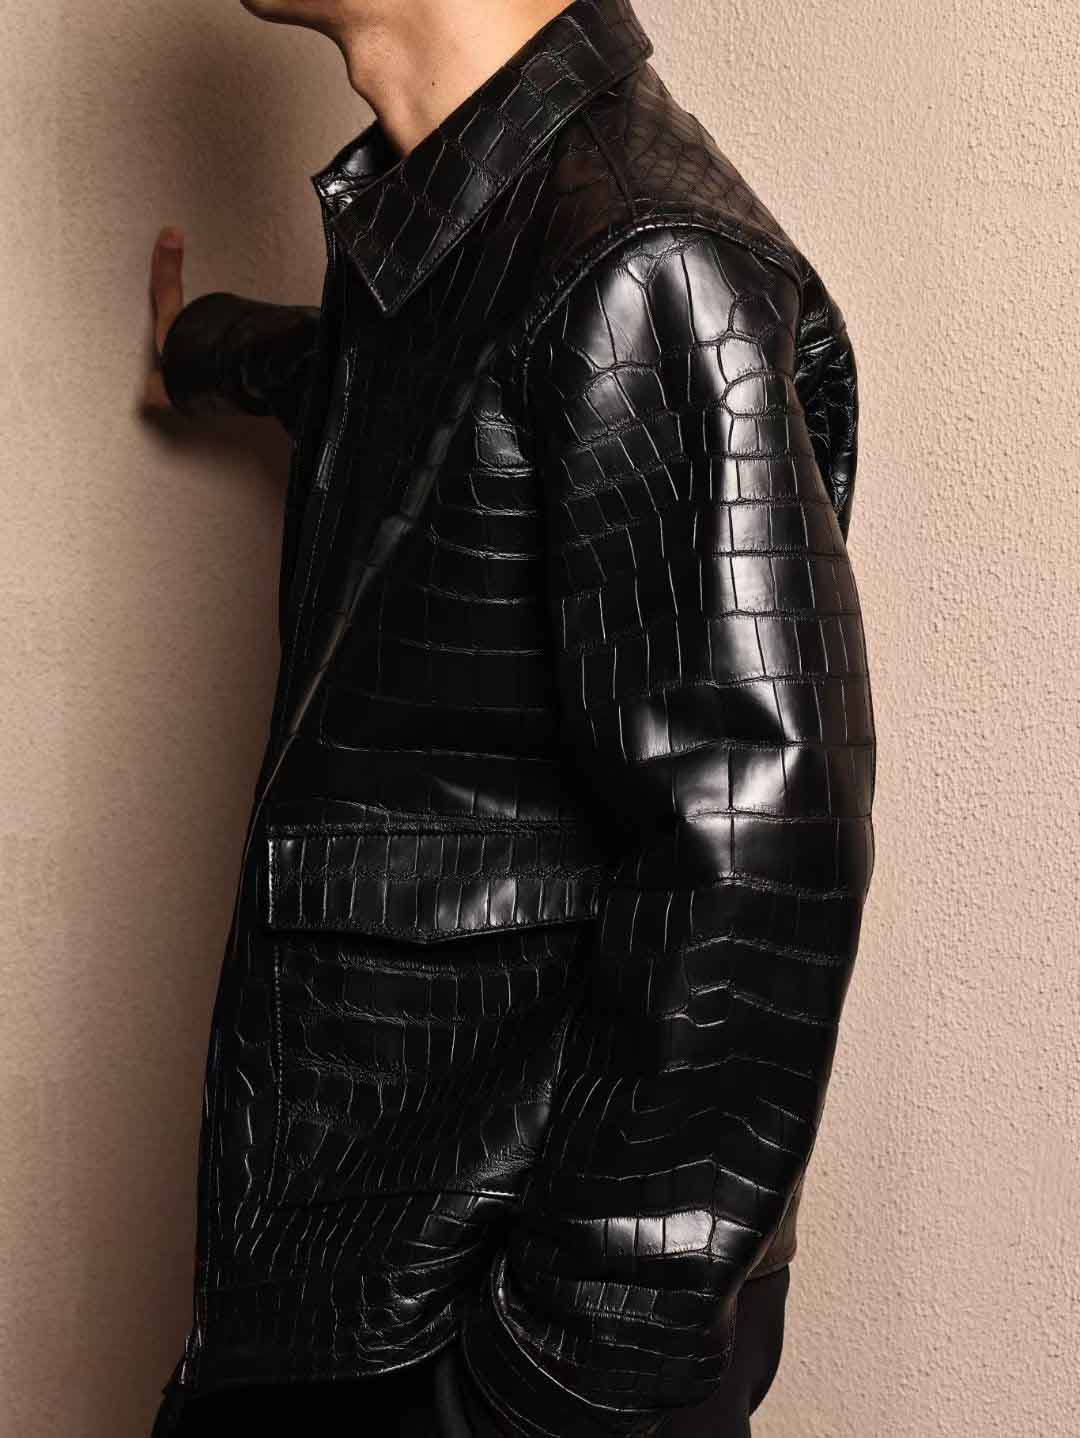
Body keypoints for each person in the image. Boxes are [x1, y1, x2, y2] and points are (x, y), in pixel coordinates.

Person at [144, 0, 876, 1433]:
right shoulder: (474, 228)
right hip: (353, 1278)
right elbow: (386, 385)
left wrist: (550, 1381)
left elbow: (761, 858)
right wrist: (201, 347)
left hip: (474, 1337)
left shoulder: (647, 261)